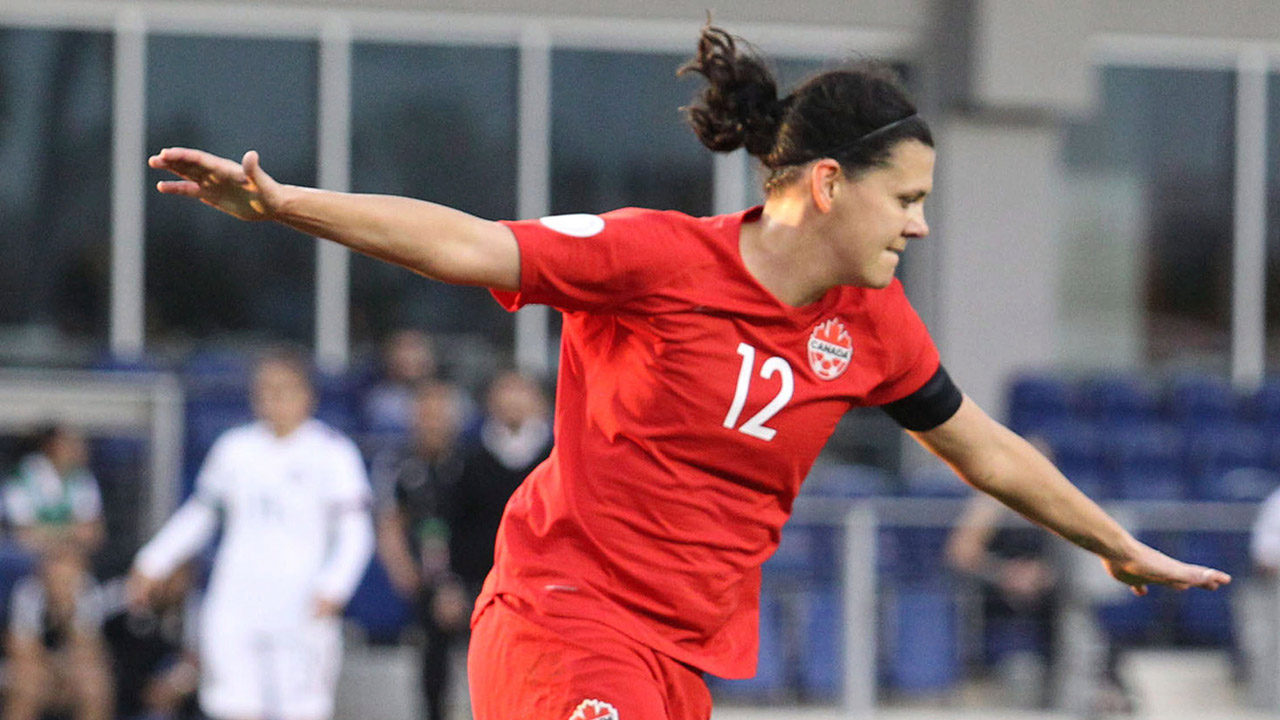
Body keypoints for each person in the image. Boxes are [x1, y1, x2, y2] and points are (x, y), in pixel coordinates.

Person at [146, 23, 1231, 720]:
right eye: (903, 199)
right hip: (562, 625)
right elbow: (465, 240)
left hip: (677, 667)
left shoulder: (873, 326)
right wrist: (287, 205)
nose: (922, 224)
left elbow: (980, 446)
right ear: (819, 185)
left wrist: (1115, 544)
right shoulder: (653, 257)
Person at [127, 349, 375, 720]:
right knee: (232, 705)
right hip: (236, 601)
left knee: (301, 708)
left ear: (307, 395)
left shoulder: (333, 453)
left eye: (283, 390)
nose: (273, 399)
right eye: (265, 390)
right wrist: (153, 561)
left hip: (302, 603)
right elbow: (201, 513)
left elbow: (356, 533)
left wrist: (334, 586)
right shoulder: (234, 448)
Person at [371, 380, 470, 720]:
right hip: (428, 582)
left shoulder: (471, 463)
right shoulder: (401, 466)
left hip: (476, 578)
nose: (433, 422)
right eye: (425, 414)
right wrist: (406, 573)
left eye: (440, 413)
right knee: (432, 671)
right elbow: (390, 524)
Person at [4, 547, 115, 720]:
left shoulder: (87, 591)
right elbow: (22, 650)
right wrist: (52, 676)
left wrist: (66, 611)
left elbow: (89, 651)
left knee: (95, 686)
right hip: (37, 666)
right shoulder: (28, 592)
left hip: (72, 665)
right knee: (28, 685)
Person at [101, 561, 202, 720]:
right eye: (166, 576)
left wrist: (178, 684)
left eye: (179, 576)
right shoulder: (120, 609)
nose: (172, 584)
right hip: (130, 700)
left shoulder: (200, 612)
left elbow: (199, 659)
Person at [363, 328, 439, 433]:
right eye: (403, 351)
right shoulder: (381, 402)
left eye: (415, 350)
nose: (409, 358)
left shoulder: (451, 396)